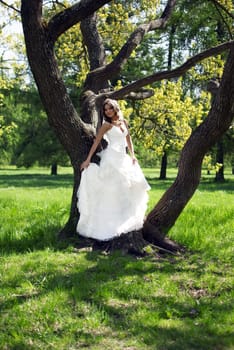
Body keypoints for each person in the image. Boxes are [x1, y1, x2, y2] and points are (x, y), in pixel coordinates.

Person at [77, 98, 150, 241]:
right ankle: (108, 224)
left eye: (110, 108)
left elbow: (128, 139)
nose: (108, 111)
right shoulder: (107, 125)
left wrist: (133, 155)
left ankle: (124, 219)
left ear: (116, 108)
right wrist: (87, 160)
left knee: (127, 188)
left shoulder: (123, 122)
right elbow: (97, 141)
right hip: (111, 159)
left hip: (123, 158)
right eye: (105, 109)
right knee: (112, 189)